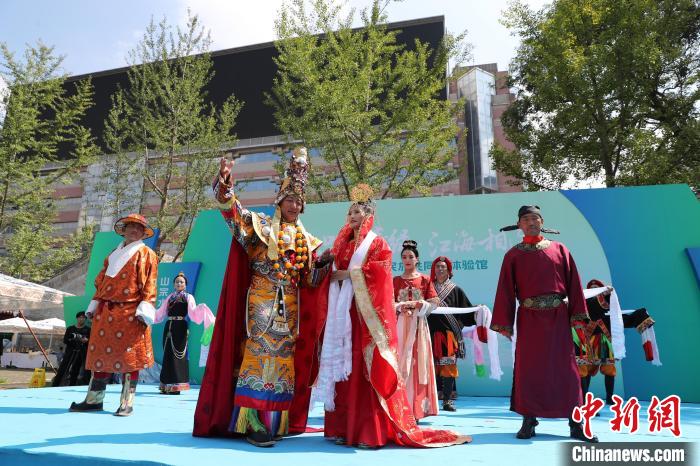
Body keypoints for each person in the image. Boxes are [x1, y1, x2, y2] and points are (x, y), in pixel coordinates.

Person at [193, 148, 333, 447]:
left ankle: (274, 420)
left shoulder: (306, 241)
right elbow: (231, 213)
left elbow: (308, 281)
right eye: (290, 199)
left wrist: (323, 264)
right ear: (279, 200)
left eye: (299, 201)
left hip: (290, 307)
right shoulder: (260, 226)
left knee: (283, 360)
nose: (295, 205)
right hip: (260, 299)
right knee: (258, 354)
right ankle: (251, 420)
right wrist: (225, 184)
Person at [314, 184, 471, 448]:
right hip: (344, 313)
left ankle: (368, 431)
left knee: (367, 368)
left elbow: (379, 274)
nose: (353, 216)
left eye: (358, 212)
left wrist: (348, 275)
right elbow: (330, 271)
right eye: (350, 212)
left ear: (368, 215)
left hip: (367, 316)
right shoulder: (341, 244)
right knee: (344, 367)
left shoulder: (377, 244)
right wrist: (324, 265)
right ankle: (342, 427)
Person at [491, 205, 598, 442]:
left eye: (535, 218)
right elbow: (505, 291)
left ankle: (576, 424)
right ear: (519, 225)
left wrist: (578, 317)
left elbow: (574, 285)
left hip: (558, 318)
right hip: (529, 319)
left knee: (566, 370)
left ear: (542, 222)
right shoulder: (513, 255)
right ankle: (529, 420)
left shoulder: (560, 250)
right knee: (529, 370)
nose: (531, 222)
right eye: (526, 219)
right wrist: (504, 324)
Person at [70, 213, 158, 417]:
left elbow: (150, 284)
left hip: (131, 312)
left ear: (143, 233)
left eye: (139, 228)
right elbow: (100, 282)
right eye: (131, 226)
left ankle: (126, 403)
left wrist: (144, 309)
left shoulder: (147, 253)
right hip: (105, 310)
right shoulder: (112, 254)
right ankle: (94, 400)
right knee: (99, 356)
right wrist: (94, 304)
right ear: (123, 230)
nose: (134, 230)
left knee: (130, 358)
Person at [576, 279, 658, 405]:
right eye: (591, 288)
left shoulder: (608, 304)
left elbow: (620, 316)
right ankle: (584, 401)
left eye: (596, 287)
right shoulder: (584, 302)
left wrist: (640, 315)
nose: (594, 289)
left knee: (609, 369)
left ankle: (610, 398)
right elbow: (585, 309)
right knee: (585, 370)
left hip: (604, 340)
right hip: (588, 340)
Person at [393, 240, 440, 420]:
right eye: (404, 257)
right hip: (400, 325)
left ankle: (418, 410)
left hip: (419, 326)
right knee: (400, 362)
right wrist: (399, 306)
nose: (407, 260)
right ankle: (400, 408)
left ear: (417, 259)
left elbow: (435, 302)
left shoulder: (425, 279)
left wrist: (423, 305)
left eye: (410, 257)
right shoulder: (396, 281)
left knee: (419, 363)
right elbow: (388, 302)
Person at [428, 256, 477, 412]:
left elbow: (466, 310)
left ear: (449, 270)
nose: (440, 269)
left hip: (448, 335)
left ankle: (447, 401)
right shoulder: (428, 288)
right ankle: (429, 401)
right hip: (428, 333)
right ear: (433, 270)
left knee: (448, 367)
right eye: (437, 266)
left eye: (443, 267)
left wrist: (478, 311)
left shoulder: (456, 290)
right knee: (429, 367)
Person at [154, 272, 215, 395]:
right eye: (177, 282)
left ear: (185, 285)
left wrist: (201, 308)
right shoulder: (170, 297)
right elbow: (161, 312)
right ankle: (166, 385)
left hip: (180, 327)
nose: (179, 283)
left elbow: (193, 313)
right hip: (169, 327)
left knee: (178, 355)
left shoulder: (188, 297)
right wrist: (149, 312)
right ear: (174, 284)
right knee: (168, 355)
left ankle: (176, 386)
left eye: (181, 282)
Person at [52, 311, 91, 386]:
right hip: (70, 352)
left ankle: (73, 385)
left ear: (85, 319)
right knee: (62, 368)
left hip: (82, 353)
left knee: (76, 371)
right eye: (80, 317)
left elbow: (90, 341)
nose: (81, 319)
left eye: (83, 318)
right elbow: (65, 340)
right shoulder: (70, 328)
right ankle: (55, 385)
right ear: (77, 318)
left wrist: (86, 340)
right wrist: (73, 339)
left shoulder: (88, 329)